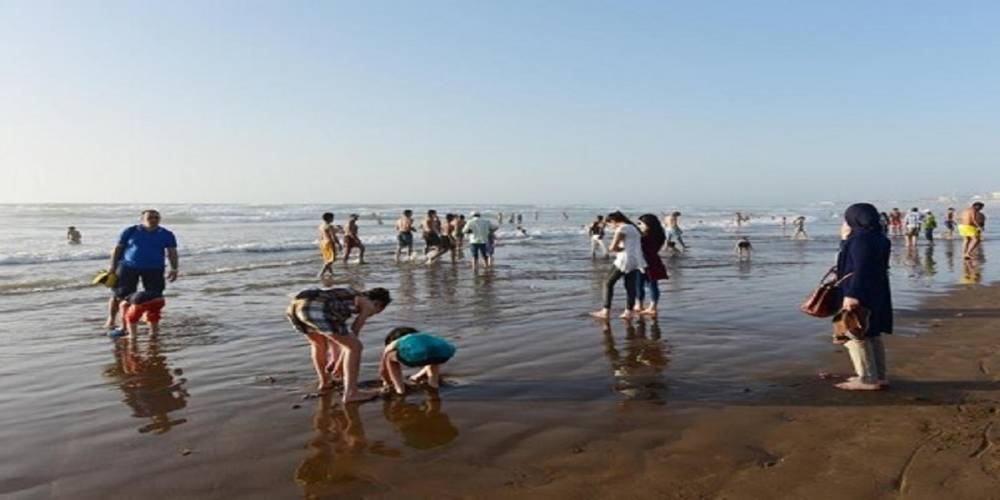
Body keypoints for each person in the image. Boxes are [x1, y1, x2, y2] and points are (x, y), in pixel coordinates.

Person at [286, 287, 391, 402]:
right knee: (356, 347)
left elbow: (335, 337)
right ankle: (351, 393)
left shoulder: (344, 299)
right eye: (376, 312)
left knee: (318, 344)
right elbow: (354, 331)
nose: (372, 314)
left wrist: (335, 360)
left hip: (296, 307)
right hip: (317, 308)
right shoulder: (367, 303)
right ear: (378, 304)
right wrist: (339, 362)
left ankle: (325, 382)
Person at [833, 203, 892, 391]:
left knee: (855, 332)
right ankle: (878, 376)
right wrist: (845, 239)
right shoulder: (879, 237)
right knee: (872, 332)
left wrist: (852, 294)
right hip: (877, 289)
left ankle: (867, 379)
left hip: (860, 290)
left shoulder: (861, 239)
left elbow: (859, 267)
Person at [104, 210, 178, 330]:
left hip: (154, 268)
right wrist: (112, 267)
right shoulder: (130, 231)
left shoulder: (166, 234)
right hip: (128, 267)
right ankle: (112, 319)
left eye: (156, 217)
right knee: (120, 295)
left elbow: (172, 252)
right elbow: (118, 249)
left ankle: (149, 320)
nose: (153, 220)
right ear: (142, 219)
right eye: (150, 218)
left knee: (154, 297)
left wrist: (174, 268)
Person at [590, 212, 646, 320]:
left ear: (614, 221)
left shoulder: (622, 229)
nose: (610, 227)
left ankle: (605, 311)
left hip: (624, 260)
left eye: (610, 224)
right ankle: (628, 312)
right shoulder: (633, 228)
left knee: (607, 283)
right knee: (630, 286)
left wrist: (620, 249)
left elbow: (612, 247)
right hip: (636, 260)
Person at [379, 327, 456, 396]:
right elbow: (429, 358)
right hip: (446, 352)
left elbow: (383, 367)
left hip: (418, 355)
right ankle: (433, 384)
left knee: (389, 356)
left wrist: (386, 380)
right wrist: (417, 376)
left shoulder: (396, 342)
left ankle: (400, 390)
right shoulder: (424, 337)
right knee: (432, 356)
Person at [635, 214, 667, 317]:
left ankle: (646, 306)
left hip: (645, 261)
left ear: (648, 224)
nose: (639, 225)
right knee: (650, 284)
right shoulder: (659, 234)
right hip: (653, 260)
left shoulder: (645, 237)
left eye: (640, 223)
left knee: (643, 284)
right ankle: (650, 306)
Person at [317, 213, 340, 278]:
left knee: (327, 258)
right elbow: (333, 236)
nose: (333, 219)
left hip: (323, 243)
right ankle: (321, 273)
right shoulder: (329, 226)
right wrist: (338, 244)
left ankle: (331, 273)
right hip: (329, 242)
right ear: (329, 218)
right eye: (332, 218)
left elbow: (321, 236)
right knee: (331, 259)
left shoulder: (321, 226)